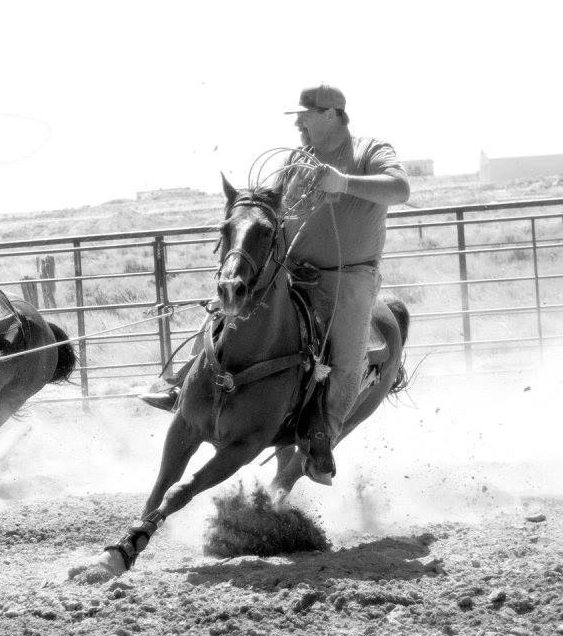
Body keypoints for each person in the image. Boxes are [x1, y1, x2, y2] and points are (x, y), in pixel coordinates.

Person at [139, 85, 409, 482]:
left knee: (347, 359)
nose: (298, 122)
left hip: (349, 277)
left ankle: (320, 441)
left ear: (331, 114)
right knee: (224, 310)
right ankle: (183, 386)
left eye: (305, 114)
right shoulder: (296, 161)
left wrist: (343, 182)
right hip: (291, 267)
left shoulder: (370, 152)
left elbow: (401, 189)